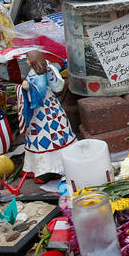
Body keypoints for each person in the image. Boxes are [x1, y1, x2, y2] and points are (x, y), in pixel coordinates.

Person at [17, 50, 77, 180]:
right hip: (40, 110)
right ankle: (38, 167)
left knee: (50, 134)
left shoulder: (42, 72)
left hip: (44, 110)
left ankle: (50, 169)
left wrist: (29, 87)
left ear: (33, 60)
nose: (26, 61)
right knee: (38, 136)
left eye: (27, 58)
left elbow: (42, 90)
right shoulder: (37, 71)